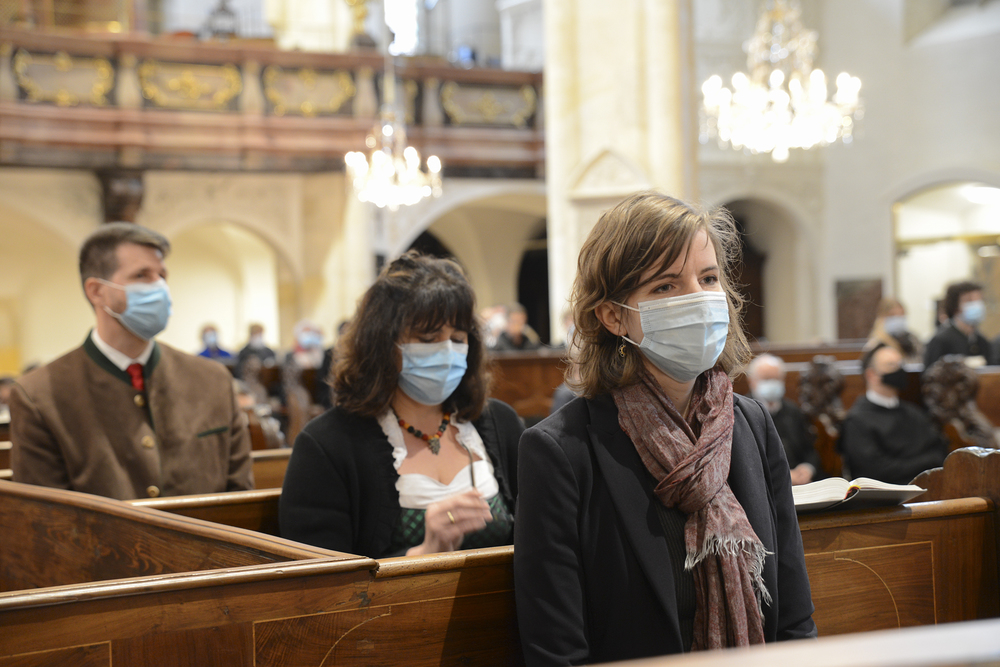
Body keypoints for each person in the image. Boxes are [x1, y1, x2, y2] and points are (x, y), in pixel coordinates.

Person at [514, 192, 815, 665]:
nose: (698, 298)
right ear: (613, 316)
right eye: (666, 286)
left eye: (708, 278)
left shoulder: (751, 425)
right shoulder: (560, 451)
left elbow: (794, 617)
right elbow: (558, 651)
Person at [279, 251, 523, 558]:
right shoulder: (327, 444)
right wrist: (424, 552)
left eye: (458, 338)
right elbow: (319, 577)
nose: (447, 352)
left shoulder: (500, 423)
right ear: (383, 344)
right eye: (428, 338)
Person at [9, 222, 253, 500]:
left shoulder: (212, 379)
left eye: (162, 275)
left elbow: (240, 498)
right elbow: (46, 516)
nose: (159, 286)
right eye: (141, 275)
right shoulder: (40, 395)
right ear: (96, 291)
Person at [839, 344, 948, 485]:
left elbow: (939, 452)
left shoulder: (913, 413)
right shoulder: (857, 421)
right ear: (871, 375)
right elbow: (875, 471)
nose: (898, 370)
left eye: (900, 365)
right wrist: (924, 463)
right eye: (891, 365)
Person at [745, 354, 821, 485]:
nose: (772, 383)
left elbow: (809, 449)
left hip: (800, 484)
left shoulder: (793, 410)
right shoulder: (742, 412)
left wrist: (807, 468)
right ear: (751, 381)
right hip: (765, 485)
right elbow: (745, 462)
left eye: (777, 379)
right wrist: (783, 476)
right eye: (767, 379)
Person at [924, 281, 995, 368]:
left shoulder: (982, 341)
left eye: (979, 300)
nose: (976, 305)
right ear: (955, 306)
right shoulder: (941, 340)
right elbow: (930, 373)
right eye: (969, 300)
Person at [864, 298, 922, 363]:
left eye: (901, 314)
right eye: (893, 315)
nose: (898, 318)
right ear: (882, 317)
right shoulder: (875, 343)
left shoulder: (912, 338)